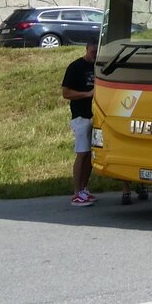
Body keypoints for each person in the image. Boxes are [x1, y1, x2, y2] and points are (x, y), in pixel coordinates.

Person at [61, 41, 98, 207]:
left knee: (91, 155)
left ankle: (84, 189)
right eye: (93, 52)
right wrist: (87, 94)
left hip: (95, 115)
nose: (95, 55)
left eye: (98, 52)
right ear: (86, 49)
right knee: (82, 153)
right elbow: (66, 93)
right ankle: (76, 192)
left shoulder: (99, 66)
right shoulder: (76, 67)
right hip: (80, 116)